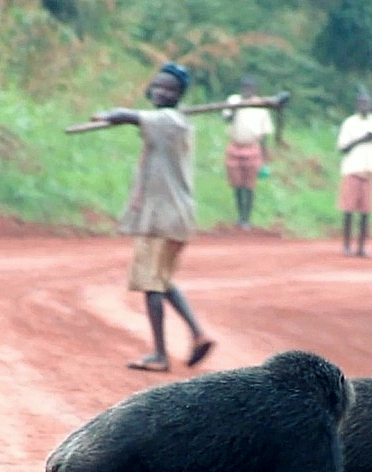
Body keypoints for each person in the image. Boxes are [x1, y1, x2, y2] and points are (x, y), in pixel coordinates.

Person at [91, 62, 214, 373]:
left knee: (152, 286)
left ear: (179, 95)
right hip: (173, 217)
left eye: (169, 88)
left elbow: (127, 116)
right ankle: (198, 334)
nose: (161, 92)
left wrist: (109, 116)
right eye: (158, 86)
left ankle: (160, 354)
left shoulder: (169, 121)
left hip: (163, 218)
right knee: (162, 281)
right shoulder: (171, 121)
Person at [336, 88, 372, 257]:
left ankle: (361, 246)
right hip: (352, 169)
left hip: (369, 171)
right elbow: (343, 148)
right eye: (361, 103)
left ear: (371, 105)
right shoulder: (349, 123)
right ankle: (346, 245)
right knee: (348, 210)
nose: (364, 106)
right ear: (357, 105)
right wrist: (361, 139)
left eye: (367, 103)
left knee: (366, 212)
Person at [222, 75, 274, 230]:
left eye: (250, 89)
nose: (247, 91)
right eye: (245, 88)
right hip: (235, 145)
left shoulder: (261, 106)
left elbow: (264, 134)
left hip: (252, 146)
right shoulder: (233, 100)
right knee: (237, 183)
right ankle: (240, 216)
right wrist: (236, 108)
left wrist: (264, 157)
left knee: (249, 184)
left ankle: (247, 218)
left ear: (255, 90)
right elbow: (227, 119)